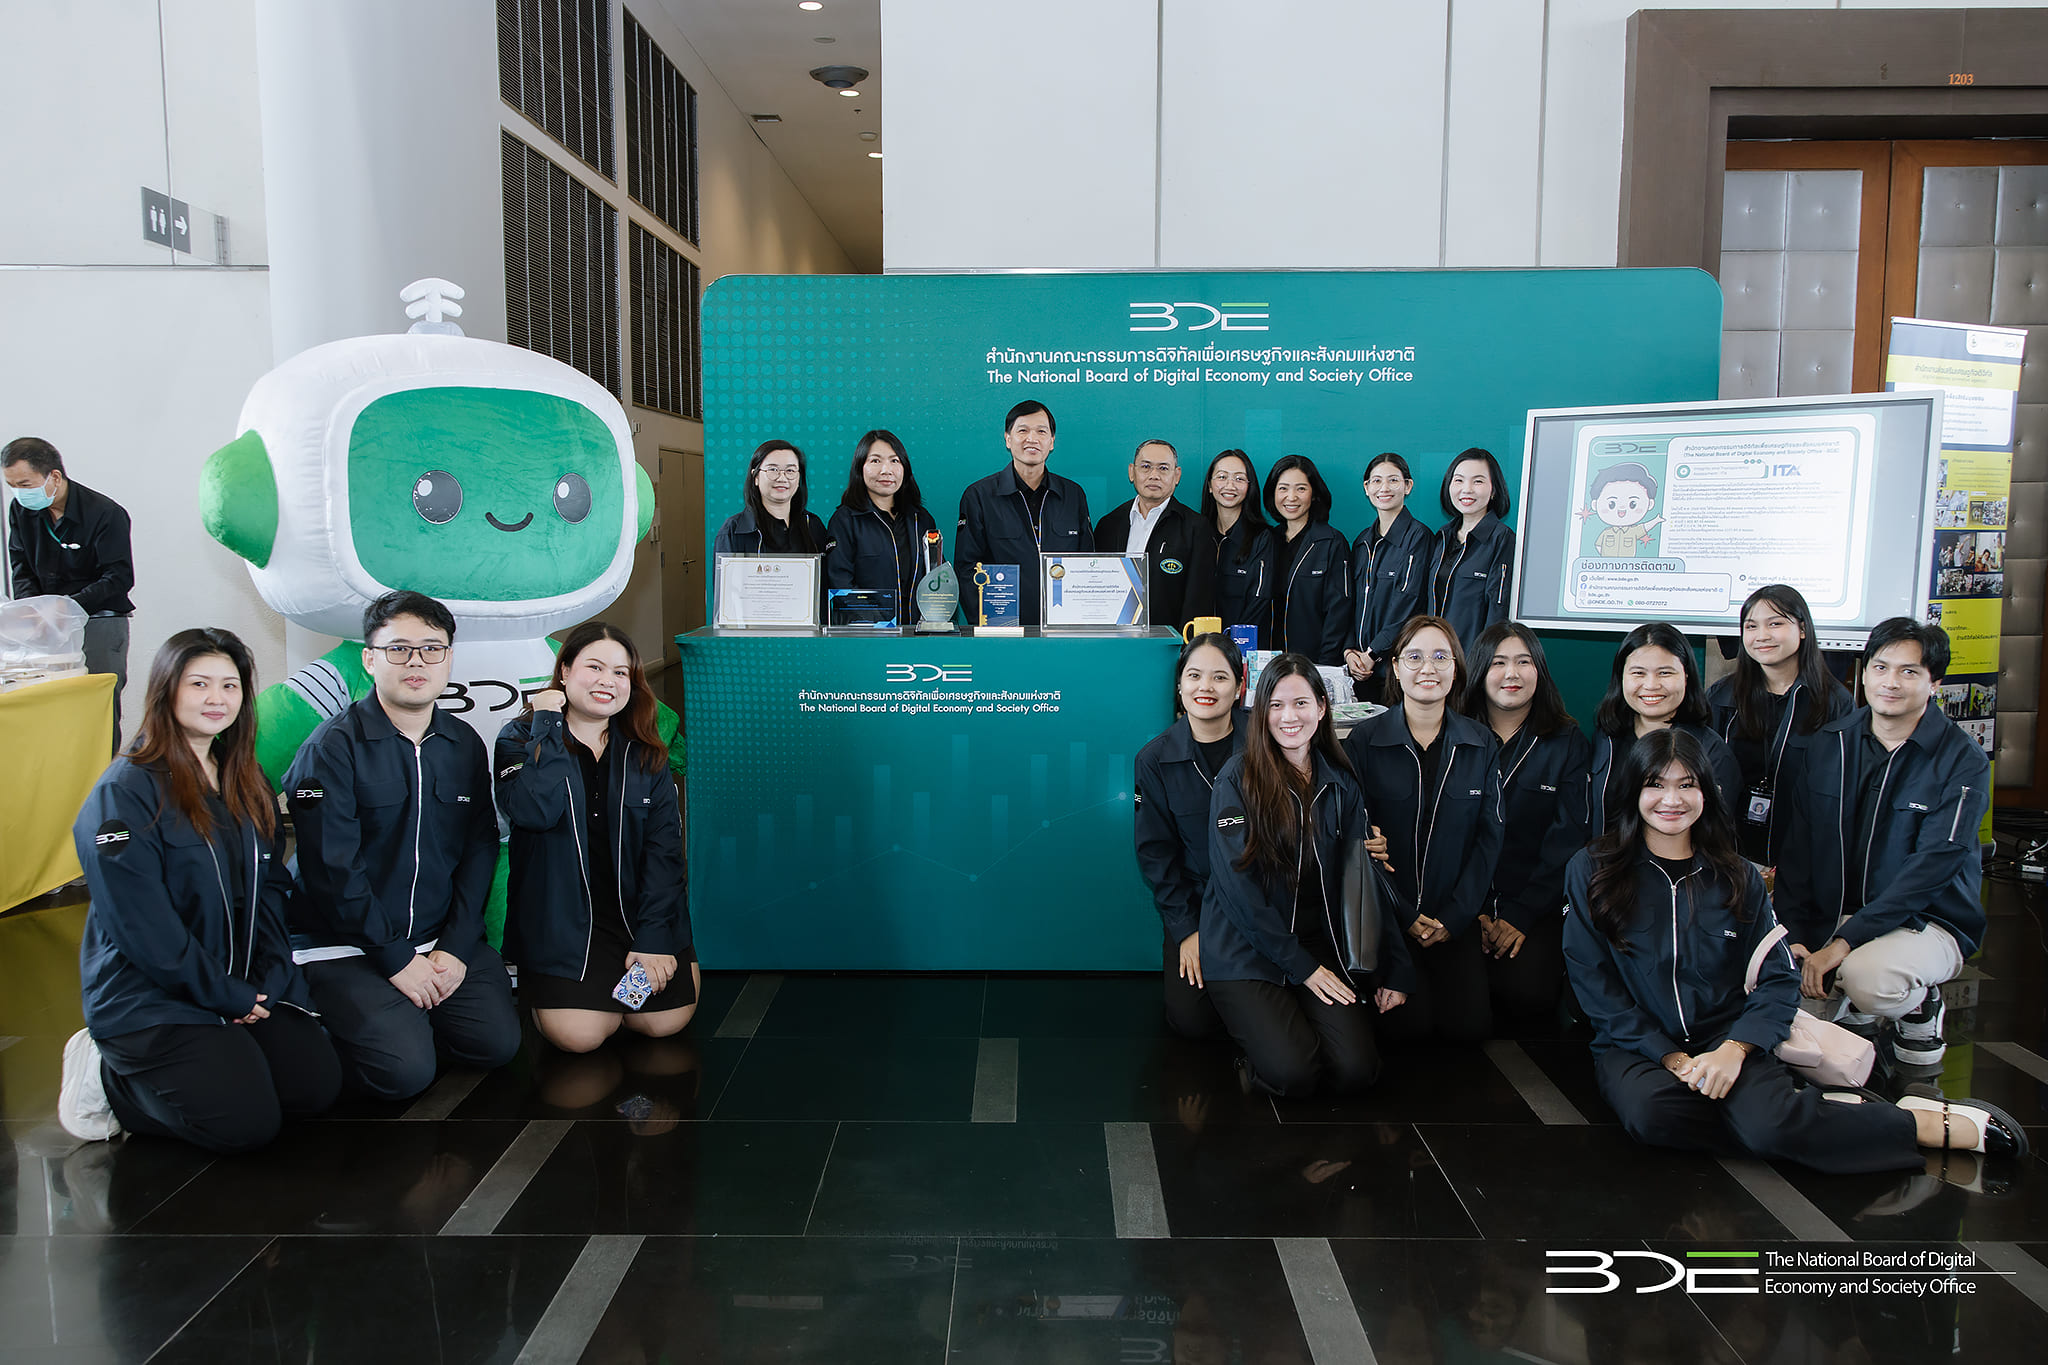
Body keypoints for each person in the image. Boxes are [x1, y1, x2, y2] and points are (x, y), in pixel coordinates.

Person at [1564, 727, 2025, 1170]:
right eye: (1655, 784)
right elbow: (1593, 983)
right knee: (1654, 1116)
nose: (1671, 799)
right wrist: (1671, 1056)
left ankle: (1916, 1124)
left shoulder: (1738, 875)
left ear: (1707, 792)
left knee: (1762, 1126)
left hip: (1730, 1036)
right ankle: (1819, 1115)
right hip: (1635, 1047)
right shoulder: (1593, 870)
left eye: (1687, 785)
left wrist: (1734, 1049)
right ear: (1632, 791)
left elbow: (1778, 978)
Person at [60, 628, 341, 1151]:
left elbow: (271, 886)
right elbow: (143, 928)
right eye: (199, 684)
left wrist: (269, 974)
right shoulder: (124, 793)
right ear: (166, 690)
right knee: (246, 1125)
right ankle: (109, 1079)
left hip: (236, 980)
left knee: (313, 1089)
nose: (217, 699)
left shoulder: (244, 777)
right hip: (153, 997)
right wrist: (224, 994)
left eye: (230, 686)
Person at [286, 590, 521, 1099]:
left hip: (435, 939)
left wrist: (456, 946)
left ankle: (406, 1017)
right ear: (370, 659)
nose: (416, 662)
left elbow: (479, 847)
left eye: (431, 648)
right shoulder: (331, 748)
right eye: (398, 649)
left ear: (448, 658)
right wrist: (394, 959)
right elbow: (332, 870)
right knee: (404, 1074)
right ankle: (320, 1024)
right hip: (345, 944)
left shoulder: (462, 742)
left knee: (496, 1045)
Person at [1775, 619, 1989, 1067]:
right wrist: (1794, 935)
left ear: (1935, 683)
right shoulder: (1830, 744)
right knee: (1789, 1023)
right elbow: (1798, 853)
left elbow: (1932, 869)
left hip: (1925, 920)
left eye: (1909, 672)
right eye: (1880, 667)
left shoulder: (1961, 760)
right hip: (1834, 914)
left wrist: (1844, 943)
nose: (1890, 682)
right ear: (1865, 672)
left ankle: (1919, 1002)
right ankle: (1851, 988)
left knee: (1867, 980)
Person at [1200, 653, 1415, 1096]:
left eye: (1300, 703)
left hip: (1317, 942)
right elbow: (1239, 892)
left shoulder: (1340, 783)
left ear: (1321, 707)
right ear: (1260, 712)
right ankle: (1257, 1052)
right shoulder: (1236, 779)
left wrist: (1395, 967)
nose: (1289, 717)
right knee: (1293, 1074)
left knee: (1357, 1071)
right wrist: (1301, 966)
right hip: (1245, 948)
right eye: (1276, 705)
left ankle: (1288, 1032)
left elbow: (1365, 878)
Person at [496, 622, 697, 1053]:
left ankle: (619, 987)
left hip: (635, 917)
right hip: (561, 927)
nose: (608, 680)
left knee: (664, 1023)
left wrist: (654, 939)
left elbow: (664, 853)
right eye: (595, 667)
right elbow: (533, 811)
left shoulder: (646, 749)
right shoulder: (518, 738)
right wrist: (548, 722)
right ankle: (580, 1000)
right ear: (565, 671)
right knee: (581, 1038)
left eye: (621, 672)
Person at [1342, 615, 1503, 1042]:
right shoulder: (1364, 741)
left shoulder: (1480, 743)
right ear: (1395, 668)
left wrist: (1455, 916)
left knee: (1469, 1031)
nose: (1427, 668)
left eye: (1440, 657)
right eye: (1414, 657)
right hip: (1387, 918)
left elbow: (1488, 840)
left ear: (1456, 669)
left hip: (1453, 917)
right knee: (1406, 1033)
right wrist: (1405, 915)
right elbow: (1357, 843)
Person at [1462, 622, 1593, 1034]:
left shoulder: (1567, 741)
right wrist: (1473, 909)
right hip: (1462, 903)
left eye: (1524, 662)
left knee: (1528, 996)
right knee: (1462, 1009)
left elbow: (1568, 838)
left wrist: (1520, 914)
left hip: (1533, 904)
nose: (1512, 674)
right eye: (1498, 663)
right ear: (1479, 670)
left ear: (1540, 670)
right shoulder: (1456, 734)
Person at [1133, 633, 1246, 1040]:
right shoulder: (1154, 759)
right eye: (1194, 676)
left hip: (1262, 902)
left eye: (1220, 677)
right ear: (1179, 685)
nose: (1206, 687)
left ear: (1240, 686)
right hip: (1197, 906)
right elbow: (1156, 854)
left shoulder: (1266, 743)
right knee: (1192, 1023)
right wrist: (1187, 930)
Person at [1705, 584, 1853, 867]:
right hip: (1728, 854)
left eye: (1775, 623)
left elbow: (1839, 791)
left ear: (1802, 629)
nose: (1762, 635)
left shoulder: (1833, 702)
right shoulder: (1722, 696)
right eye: (1751, 626)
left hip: (1800, 856)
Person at [4, 436, 135, 744]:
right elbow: (21, 566)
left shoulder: (104, 513)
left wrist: (68, 606)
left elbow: (119, 577)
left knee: (98, 707)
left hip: (99, 619)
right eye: (11, 486)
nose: (19, 493)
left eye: (25, 484)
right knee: (50, 706)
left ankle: (102, 769)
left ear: (54, 476)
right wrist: (34, 608)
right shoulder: (21, 511)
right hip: (45, 623)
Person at [1588, 622, 1741, 831]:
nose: (1651, 685)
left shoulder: (1711, 751)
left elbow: (1716, 832)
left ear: (1686, 676)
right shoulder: (1606, 739)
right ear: (1621, 677)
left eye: (1665, 673)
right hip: (1608, 852)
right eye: (1638, 673)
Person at [955, 400, 1093, 626]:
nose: (1032, 438)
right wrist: (989, 623)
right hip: (1002, 629)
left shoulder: (1073, 495)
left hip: (1062, 628)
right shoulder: (979, 496)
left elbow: (1087, 562)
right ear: (1008, 439)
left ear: (1052, 442)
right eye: (1023, 430)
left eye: (1041, 431)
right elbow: (967, 568)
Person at [1094, 438, 1218, 633]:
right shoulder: (1108, 525)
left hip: (1170, 644)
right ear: (1131, 472)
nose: (1154, 475)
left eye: (1163, 468)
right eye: (1146, 467)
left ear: (1176, 475)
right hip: (1114, 640)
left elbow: (1198, 600)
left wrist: (1185, 646)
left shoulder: (1196, 528)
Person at [1343, 452, 1433, 700]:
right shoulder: (1362, 542)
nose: (1384, 488)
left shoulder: (1419, 537)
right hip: (1359, 668)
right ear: (1366, 488)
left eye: (1393, 480)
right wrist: (1350, 651)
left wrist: (1373, 653)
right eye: (1376, 481)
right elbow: (1350, 604)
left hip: (1394, 669)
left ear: (1408, 486)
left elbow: (1410, 604)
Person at [823, 429, 944, 611]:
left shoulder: (921, 519)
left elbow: (937, 578)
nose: (886, 470)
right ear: (860, 467)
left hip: (917, 628)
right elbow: (840, 584)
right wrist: (881, 623)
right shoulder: (845, 521)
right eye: (875, 461)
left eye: (894, 461)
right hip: (867, 627)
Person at [1261, 455, 1349, 665]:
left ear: (1314, 494)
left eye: (1301, 488)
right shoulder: (1265, 541)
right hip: (1266, 664)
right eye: (1283, 488)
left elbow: (1338, 613)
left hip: (1313, 665)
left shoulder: (1331, 542)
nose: (1291, 497)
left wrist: (1325, 666)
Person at [1427, 448, 1514, 653]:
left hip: (1472, 659)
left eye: (1478, 481)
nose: (1467, 489)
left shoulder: (1501, 538)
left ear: (1494, 490)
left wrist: (1483, 661)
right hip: (1435, 657)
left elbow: (1498, 611)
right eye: (1459, 480)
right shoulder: (1442, 537)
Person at [713, 439, 833, 556]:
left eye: (790, 470)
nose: (782, 478)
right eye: (773, 469)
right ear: (756, 477)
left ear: (799, 478)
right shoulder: (733, 530)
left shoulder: (812, 525)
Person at [1200, 449, 1273, 641]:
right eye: (1222, 477)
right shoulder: (1198, 533)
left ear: (1249, 487)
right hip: (1201, 646)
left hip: (1243, 648)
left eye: (1239, 479)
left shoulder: (1263, 538)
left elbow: (1259, 601)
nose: (1230, 485)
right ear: (1210, 485)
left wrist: (1233, 645)